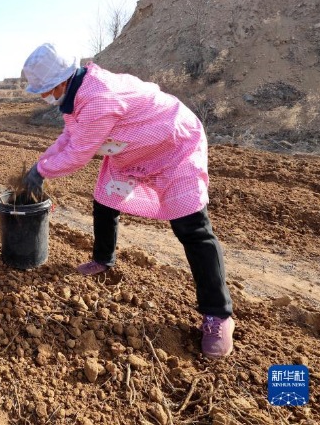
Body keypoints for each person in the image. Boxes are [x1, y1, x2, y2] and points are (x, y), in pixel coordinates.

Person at [21, 43, 234, 358]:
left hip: (175, 143)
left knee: (192, 226)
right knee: (105, 201)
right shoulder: (76, 94)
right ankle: (103, 260)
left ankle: (219, 314)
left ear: (61, 82)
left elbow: (79, 154)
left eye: (43, 91)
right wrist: (39, 164)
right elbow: (68, 138)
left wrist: (41, 172)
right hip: (137, 148)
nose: (42, 97)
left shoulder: (97, 97)